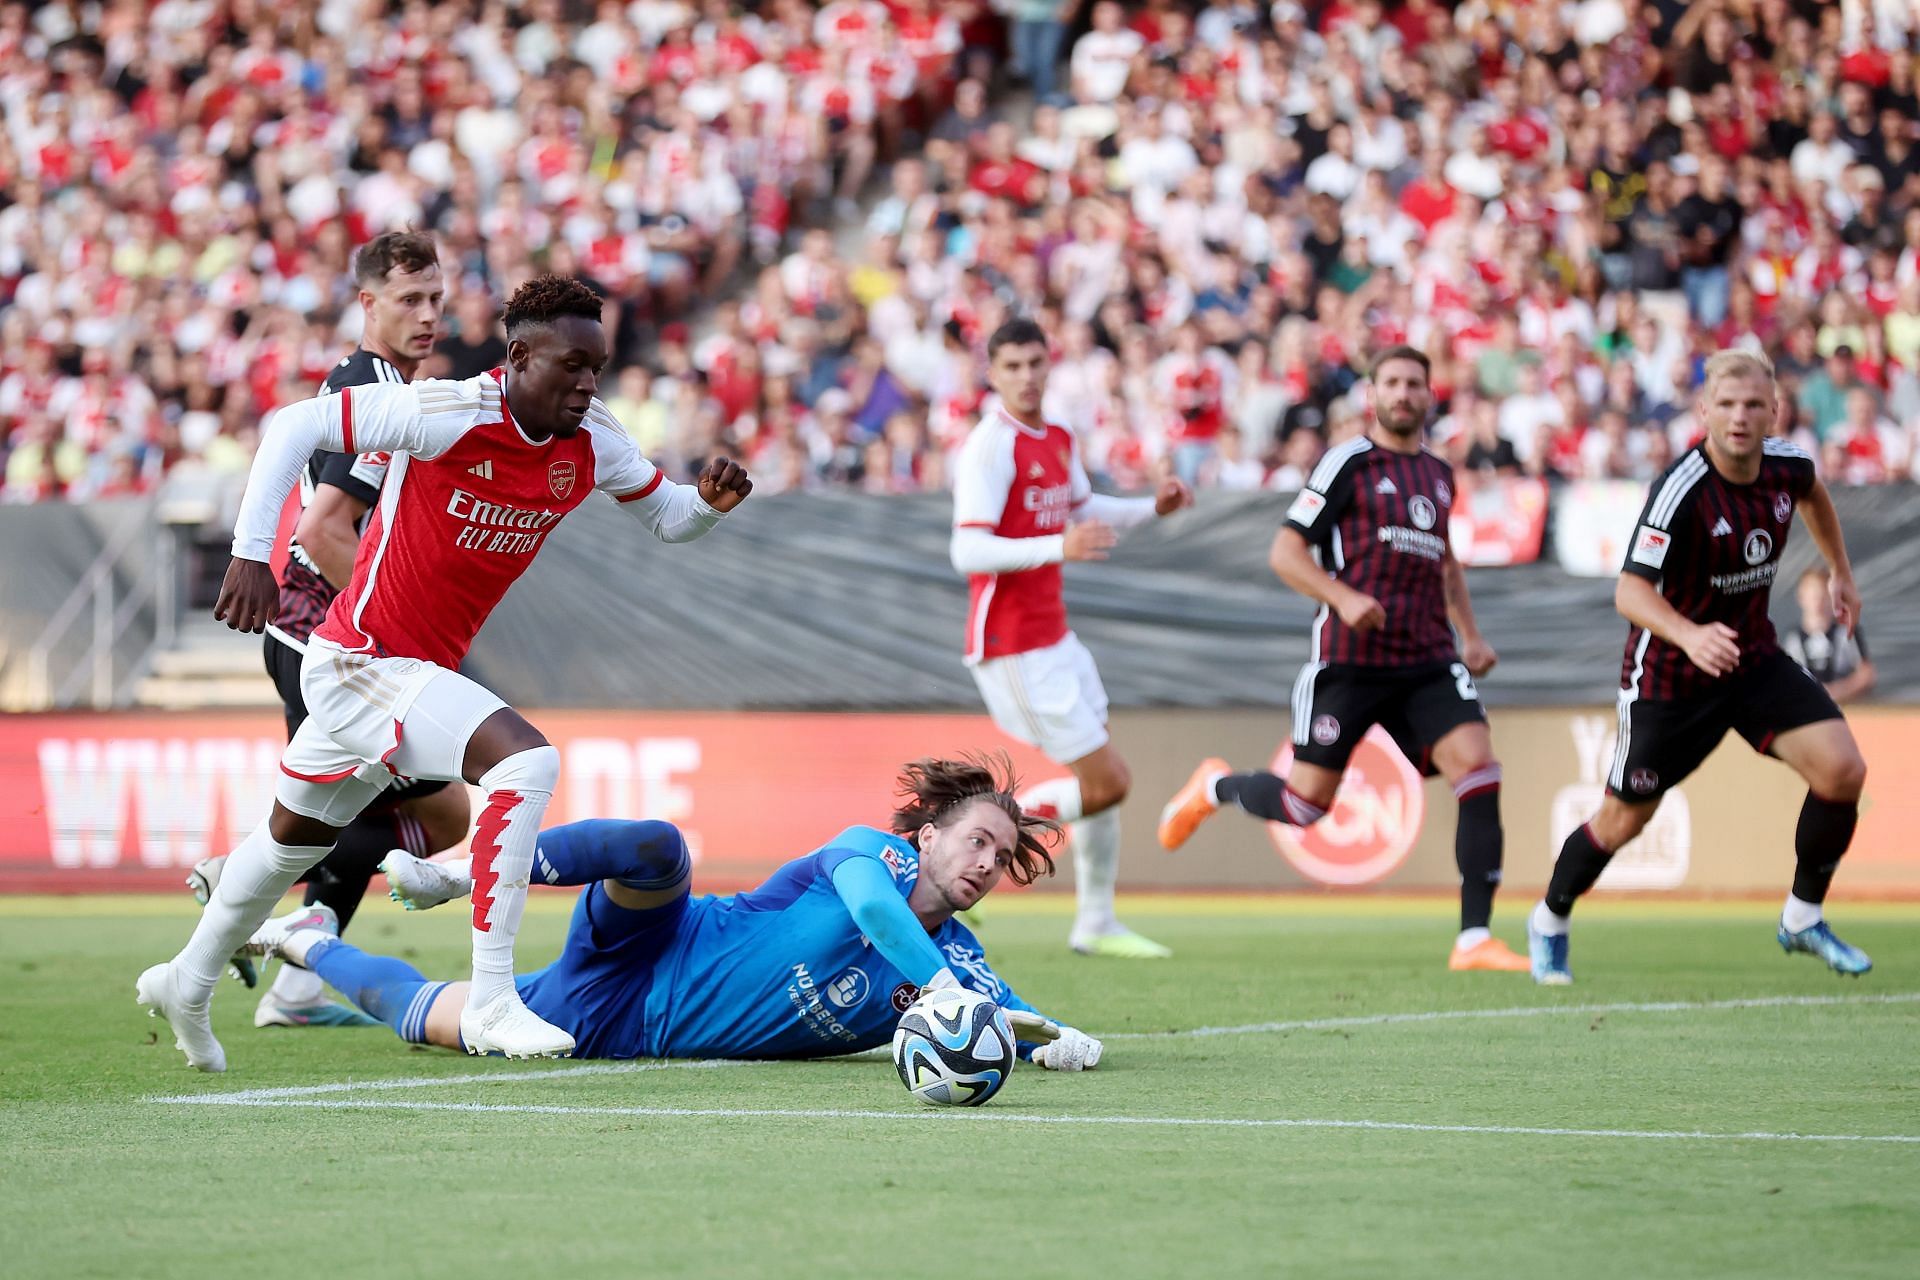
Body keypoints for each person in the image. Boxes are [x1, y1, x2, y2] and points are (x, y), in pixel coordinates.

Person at [137, 275, 754, 1072]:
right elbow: (294, 424)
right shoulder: (450, 411)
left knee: (284, 845)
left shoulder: (592, 437)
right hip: (362, 659)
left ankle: (187, 979)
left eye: (597, 366)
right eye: (573, 364)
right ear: (520, 355)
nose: (589, 383)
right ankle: (492, 999)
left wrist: (705, 504)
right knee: (524, 760)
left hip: (401, 671)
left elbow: (667, 518)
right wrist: (251, 553)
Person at [242, 756, 1104, 1071]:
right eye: (979, 841)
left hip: (604, 1023)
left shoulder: (954, 961)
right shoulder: (868, 855)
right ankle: (462, 873)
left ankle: (305, 939)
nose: (988, 865)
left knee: (410, 1010)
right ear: (926, 833)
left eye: (1003, 858)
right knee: (661, 848)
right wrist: (950, 993)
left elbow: (1009, 1018)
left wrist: (1061, 1039)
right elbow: (882, 921)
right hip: (660, 938)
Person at [1157, 346, 1528, 973]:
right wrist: (1342, 596)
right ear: (1373, 394)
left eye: (1415, 382)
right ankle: (1212, 789)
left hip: (1428, 660)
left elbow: (1445, 561)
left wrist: (1471, 633)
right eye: (1393, 382)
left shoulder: (1439, 474)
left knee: (1480, 768)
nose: (1405, 393)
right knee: (1305, 807)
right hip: (1349, 662)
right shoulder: (1349, 462)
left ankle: (1474, 940)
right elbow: (1285, 552)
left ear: (1429, 394)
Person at [187, 230, 472, 1030]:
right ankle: (259, 899)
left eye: (435, 299)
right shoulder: (374, 391)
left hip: (308, 635)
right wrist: (396, 627)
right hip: (332, 639)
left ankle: (292, 977)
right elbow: (322, 528)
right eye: (408, 299)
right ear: (367, 303)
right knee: (440, 813)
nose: (427, 314)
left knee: (356, 810)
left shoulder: (374, 383)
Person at [1525, 350, 1872, 984]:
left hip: (1752, 658)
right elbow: (1629, 592)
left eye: (1753, 405)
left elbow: (1815, 494)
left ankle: (1801, 917)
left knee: (1843, 771)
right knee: (1623, 820)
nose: (1740, 418)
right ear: (1704, 410)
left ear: (1774, 410)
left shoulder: (1788, 466)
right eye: (1727, 405)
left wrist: (1842, 575)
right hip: (1670, 680)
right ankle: (1549, 919)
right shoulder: (1681, 489)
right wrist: (1688, 635)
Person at [950, 318, 1192, 960]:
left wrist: (1150, 507)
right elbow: (965, 547)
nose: (1027, 377)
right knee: (1108, 782)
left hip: (1055, 639)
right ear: (993, 373)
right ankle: (963, 862)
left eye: (1036, 363)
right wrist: (1057, 546)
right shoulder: (989, 447)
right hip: (1012, 646)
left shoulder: (1056, 437)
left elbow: (1084, 511)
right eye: (1013, 366)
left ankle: (1096, 920)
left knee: (1098, 776)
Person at [1783, 566, 1876, 703]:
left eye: (1823, 596)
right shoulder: (1792, 638)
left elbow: (1867, 675)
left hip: (1845, 707)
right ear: (1801, 597)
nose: (1818, 602)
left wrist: (1837, 691)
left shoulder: (1846, 632)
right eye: (1813, 596)